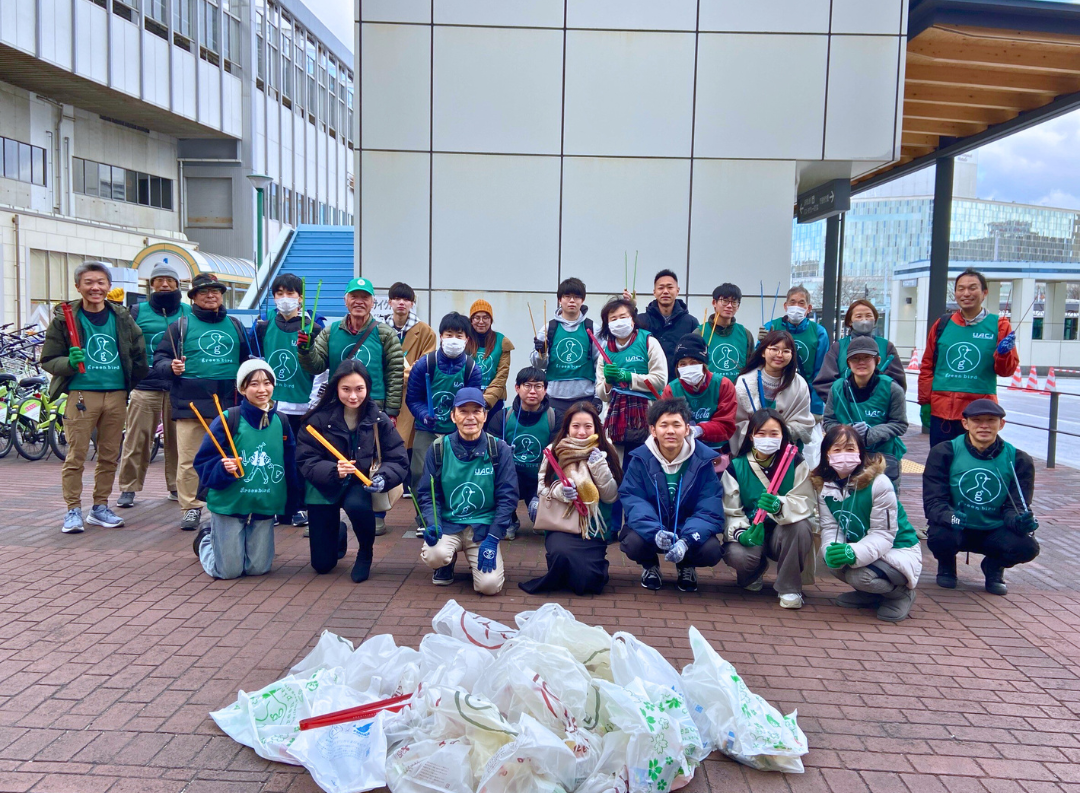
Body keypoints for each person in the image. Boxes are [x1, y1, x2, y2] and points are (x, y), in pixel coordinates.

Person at [41, 261, 149, 533]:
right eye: (88, 282)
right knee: (76, 455)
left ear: (109, 287)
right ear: (78, 286)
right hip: (81, 394)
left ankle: (100, 507)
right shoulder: (64, 319)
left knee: (110, 455)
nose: (95, 288)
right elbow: (49, 359)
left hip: (116, 396)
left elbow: (139, 356)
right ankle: (73, 510)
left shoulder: (122, 318)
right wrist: (68, 362)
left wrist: (126, 386)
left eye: (101, 282)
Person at [153, 273, 253, 530]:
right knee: (188, 459)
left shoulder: (235, 325)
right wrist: (170, 367)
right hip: (190, 404)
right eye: (204, 292)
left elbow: (247, 361)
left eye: (216, 291)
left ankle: (236, 501)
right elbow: (159, 360)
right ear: (194, 297)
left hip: (230, 403)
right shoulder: (179, 326)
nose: (211, 296)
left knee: (234, 454)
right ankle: (190, 508)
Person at [297, 360, 409, 582]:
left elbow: (398, 457)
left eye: (359, 389)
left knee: (357, 505)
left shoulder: (378, 419)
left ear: (367, 388)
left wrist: (382, 478)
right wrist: (333, 470)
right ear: (336, 388)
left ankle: (365, 552)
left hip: (359, 483)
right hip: (324, 485)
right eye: (346, 389)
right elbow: (305, 459)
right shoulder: (317, 419)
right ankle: (337, 532)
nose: (353, 396)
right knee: (322, 565)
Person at [191, 360, 302, 579]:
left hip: (264, 503)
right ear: (242, 388)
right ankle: (206, 539)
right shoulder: (228, 419)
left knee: (258, 568)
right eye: (254, 384)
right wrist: (223, 467)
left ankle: (231, 545)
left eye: (267, 383)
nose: (262, 390)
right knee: (227, 571)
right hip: (230, 503)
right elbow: (202, 461)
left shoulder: (282, 421)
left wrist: (292, 503)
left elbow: (290, 464)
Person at [922, 399, 1038, 596]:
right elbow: (934, 502)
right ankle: (946, 564)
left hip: (994, 529)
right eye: (977, 420)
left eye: (991, 420)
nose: (984, 426)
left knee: (1027, 546)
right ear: (965, 423)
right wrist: (951, 516)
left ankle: (993, 567)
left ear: (1001, 424)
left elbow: (1016, 506)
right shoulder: (944, 452)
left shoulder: (1019, 460)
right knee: (940, 535)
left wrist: (1020, 522)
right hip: (956, 526)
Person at [814, 424, 921, 622]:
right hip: (866, 549)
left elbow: (884, 534)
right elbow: (831, 527)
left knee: (860, 576)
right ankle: (871, 594)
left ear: (861, 452)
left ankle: (900, 594)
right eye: (836, 450)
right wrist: (831, 549)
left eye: (850, 449)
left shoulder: (879, 483)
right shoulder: (826, 487)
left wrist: (853, 553)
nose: (843, 455)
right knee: (832, 561)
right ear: (826, 455)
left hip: (898, 549)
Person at [618, 397, 725, 593]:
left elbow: (709, 508)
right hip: (655, 529)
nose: (670, 431)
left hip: (686, 529)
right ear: (653, 430)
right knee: (632, 541)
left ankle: (686, 566)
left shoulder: (702, 461)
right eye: (663, 425)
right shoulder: (640, 459)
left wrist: (686, 541)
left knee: (711, 549)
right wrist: (655, 531)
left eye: (676, 425)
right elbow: (634, 500)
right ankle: (650, 566)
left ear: (687, 429)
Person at [417, 387, 517, 595]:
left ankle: (478, 560)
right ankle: (446, 562)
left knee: (488, 587)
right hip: (448, 525)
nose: (470, 418)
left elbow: (508, 497)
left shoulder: (499, 450)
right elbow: (427, 493)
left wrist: (494, 537)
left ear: (485, 415)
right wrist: (432, 523)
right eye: (463, 411)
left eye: (476, 411)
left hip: (483, 529)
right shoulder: (438, 449)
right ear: (453, 416)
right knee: (435, 554)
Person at [520, 401, 623, 596]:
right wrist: (561, 491)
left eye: (588, 426)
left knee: (587, 583)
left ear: (596, 427)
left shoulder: (605, 450)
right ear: (567, 427)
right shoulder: (554, 449)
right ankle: (563, 566)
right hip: (562, 524)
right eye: (576, 426)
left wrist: (598, 467)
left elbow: (611, 497)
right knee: (562, 553)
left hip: (593, 526)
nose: (582, 432)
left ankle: (587, 568)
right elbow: (542, 486)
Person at [721, 409, 816, 609]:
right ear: (751, 436)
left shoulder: (796, 462)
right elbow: (731, 510)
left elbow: (805, 501)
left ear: (783, 436)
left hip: (782, 533)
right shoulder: (736, 466)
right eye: (761, 433)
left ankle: (789, 587)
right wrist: (741, 533)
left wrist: (780, 505)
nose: (767, 439)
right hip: (751, 530)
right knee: (738, 555)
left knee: (800, 527)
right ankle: (753, 572)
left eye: (774, 434)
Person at [252, 272, 324, 528]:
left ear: (301, 297)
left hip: (302, 406)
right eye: (279, 294)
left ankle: (297, 507)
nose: (284, 299)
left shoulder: (314, 329)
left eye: (290, 293)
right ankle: (273, 506)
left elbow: (321, 369)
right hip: (270, 406)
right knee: (271, 457)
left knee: (299, 459)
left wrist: (315, 403)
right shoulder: (262, 327)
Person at [117, 263, 190, 508]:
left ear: (178, 285)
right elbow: (125, 345)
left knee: (178, 441)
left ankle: (175, 486)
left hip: (177, 386)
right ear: (151, 285)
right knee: (136, 440)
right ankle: (128, 488)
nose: (165, 284)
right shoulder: (137, 311)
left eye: (170, 280)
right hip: (145, 385)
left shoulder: (187, 312)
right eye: (159, 280)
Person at [918, 268, 1019, 447]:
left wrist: (1004, 354)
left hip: (980, 415)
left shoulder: (999, 325)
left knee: (974, 462)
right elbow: (927, 365)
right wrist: (925, 402)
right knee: (941, 464)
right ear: (955, 293)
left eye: (972, 288)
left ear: (984, 292)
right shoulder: (942, 324)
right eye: (961, 288)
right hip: (942, 413)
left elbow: (1005, 371)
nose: (966, 293)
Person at [298, 276, 404, 421]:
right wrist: (305, 350)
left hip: (374, 407)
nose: (359, 302)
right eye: (354, 296)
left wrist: (391, 412)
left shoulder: (385, 333)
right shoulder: (330, 332)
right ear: (345, 300)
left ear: (373, 302)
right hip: (337, 406)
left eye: (365, 297)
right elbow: (316, 367)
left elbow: (395, 373)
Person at [405, 312, 484, 498]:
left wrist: (462, 421)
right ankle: (423, 520)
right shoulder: (424, 364)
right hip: (426, 429)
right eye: (449, 334)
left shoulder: (472, 369)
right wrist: (424, 414)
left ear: (467, 339)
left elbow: (473, 405)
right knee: (420, 472)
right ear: (441, 336)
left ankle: (451, 517)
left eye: (459, 335)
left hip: (457, 432)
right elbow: (413, 398)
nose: (453, 339)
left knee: (454, 475)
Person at [822, 336, 909, 483]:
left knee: (882, 500)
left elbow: (900, 424)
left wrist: (871, 434)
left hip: (882, 456)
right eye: (855, 358)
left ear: (878, 360)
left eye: (867, 357)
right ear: (848, 363)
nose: (861, 362)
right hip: (845, 456)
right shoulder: (837, 387)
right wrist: (847, 431)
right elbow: (828, 421)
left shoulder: (893, 389)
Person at [486, 367, 556, 540]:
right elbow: (489, 454)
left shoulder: (555, 418)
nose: (533, 391)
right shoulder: (502, 417)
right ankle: (507, 519)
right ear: (517, 388)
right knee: (487, 476)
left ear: (545, 389)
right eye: (527, 385)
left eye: (538, 386)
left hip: (540, 480)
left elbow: (560, 458)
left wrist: (543, 491)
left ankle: (540, 516)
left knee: (542, 525)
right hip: (510, 479)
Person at [595, 297, 667, 460]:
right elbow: (602, 395)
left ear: (633, 320)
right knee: (619, 465)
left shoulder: (649, 342)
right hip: (616, 418)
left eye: (623, 317)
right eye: (613, 319)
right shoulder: (605, 352)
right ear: (607, 324)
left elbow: (660, 380)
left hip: (647, 412)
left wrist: (628, 377)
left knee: (648, 461)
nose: (618, 322)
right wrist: (608, 382)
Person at [731, 329, 814, 451]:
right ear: (763, 352)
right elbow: (737, 422)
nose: (779, 355)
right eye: (774, 349)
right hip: (751, 450)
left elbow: (804, 422)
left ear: (792, 355)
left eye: (786, 351)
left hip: (787, 450)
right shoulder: (744, 382)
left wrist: (779, 434)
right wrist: (760, 436)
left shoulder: (799, 384)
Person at [812, 298, 906, 405]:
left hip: (880, 413)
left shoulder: (886, 346)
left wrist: (879, 403)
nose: (864, 320)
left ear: (875, 319)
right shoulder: (838, 347)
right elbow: (824, 383)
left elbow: (898, 382)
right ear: (849, 321)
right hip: (845, 413)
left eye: (868, 316)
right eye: (859, 316)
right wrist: (843, 403)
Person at [531, 277, 599, 423]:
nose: (572, 301)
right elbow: (538, 365)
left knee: (583, 440)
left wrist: (598, 397)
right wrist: (540, 353)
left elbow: (600, 364)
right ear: (560, 299)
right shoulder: (548, 328)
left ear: (583, 300)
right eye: (567, 296)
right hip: (554, 397)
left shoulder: (593, 328)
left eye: (576, 297)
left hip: (584, 397)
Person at [386, 282, 437, 456]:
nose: (401, 303)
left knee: (407, 447)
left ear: (412, 304)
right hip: (385, 396)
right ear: (389, 302)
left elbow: (423, 367)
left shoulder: (425, 331)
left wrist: (391, 375)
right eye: (397, 298)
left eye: (406, 299)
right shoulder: (379, 329)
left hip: (411, 395)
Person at [661, 334, 737, 453]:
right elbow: (665, 424)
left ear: (704, 364)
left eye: (694, 362)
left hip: (717, 451)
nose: (688, 367)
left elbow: (726, 426)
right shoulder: (671, 390)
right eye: (683, 364)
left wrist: (699, 430)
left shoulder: (723, 385)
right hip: (682, 451)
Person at [765, 285, 829, 416]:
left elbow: (821, 372)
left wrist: (816, 408)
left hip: (804, 396)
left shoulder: (818, 332)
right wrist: (761, 343)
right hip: (774, 393)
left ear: (808, 308)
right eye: (792, 302)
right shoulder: (772, 326)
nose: (796, 307)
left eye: (801, 303)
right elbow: (759, 362)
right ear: (785, 306)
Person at [624, 269, 699, 378]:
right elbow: (624, 337)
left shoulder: (690, 322)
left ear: (677, 291)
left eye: (670, 287)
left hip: (679, 385)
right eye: (661, 288)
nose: (665, 291)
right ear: (654, 292)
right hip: (647, 384)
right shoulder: (641, 320)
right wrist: (630, 308)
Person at [468, 299, 515, 426]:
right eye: (477, 317)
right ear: (471, 320)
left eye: (486, 317)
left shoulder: (502, 341)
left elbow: (502, 375)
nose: (481, 322)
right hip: (468, 400)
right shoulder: (465, 340)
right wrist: (470, 398)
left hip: (494, 401)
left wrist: (486, 401)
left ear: (491, 320)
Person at [696, 283, 756, 383]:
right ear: (714, 302)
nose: (729, 306)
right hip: (708, 392)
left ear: (738, 306)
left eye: (734, 302)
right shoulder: (700, 333)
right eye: (725, 301)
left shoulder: (745, 334)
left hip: (737, 392)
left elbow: (752, 367)